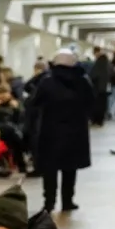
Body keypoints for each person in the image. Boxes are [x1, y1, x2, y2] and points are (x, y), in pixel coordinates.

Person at [25, 49, 93, 212]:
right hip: (75, 131)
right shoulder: (82, 81)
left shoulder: (47, 81)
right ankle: (68, 201)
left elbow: (33, 101)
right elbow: (92, 103)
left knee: (50, 169)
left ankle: (49, 202)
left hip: (50, 131)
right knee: (70, 168)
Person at [89, 47, 111, 127]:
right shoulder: (107, 64)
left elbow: (93, 75)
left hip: (97, 88)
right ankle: (100, 120)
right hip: (104, 89)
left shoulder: (98, 64)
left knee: (96, 105)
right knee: (103, 105)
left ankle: (95, 120)